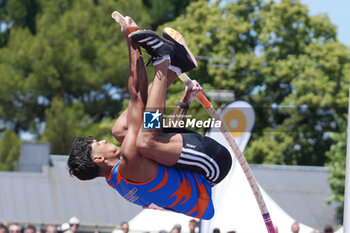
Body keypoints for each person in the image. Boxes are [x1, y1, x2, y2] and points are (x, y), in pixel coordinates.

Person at [68, 16, 232, 220]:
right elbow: (138, 97)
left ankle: (176, 67)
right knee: (144, 141)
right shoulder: (129, 166)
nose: (103, 141)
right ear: (99, 159)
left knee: (122, 131)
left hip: (194, 165)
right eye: (98, 143)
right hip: (213, 166)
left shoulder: (116, 180)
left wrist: (184, 103)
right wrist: (131, 42)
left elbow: (169, 146)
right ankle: (165, 63)